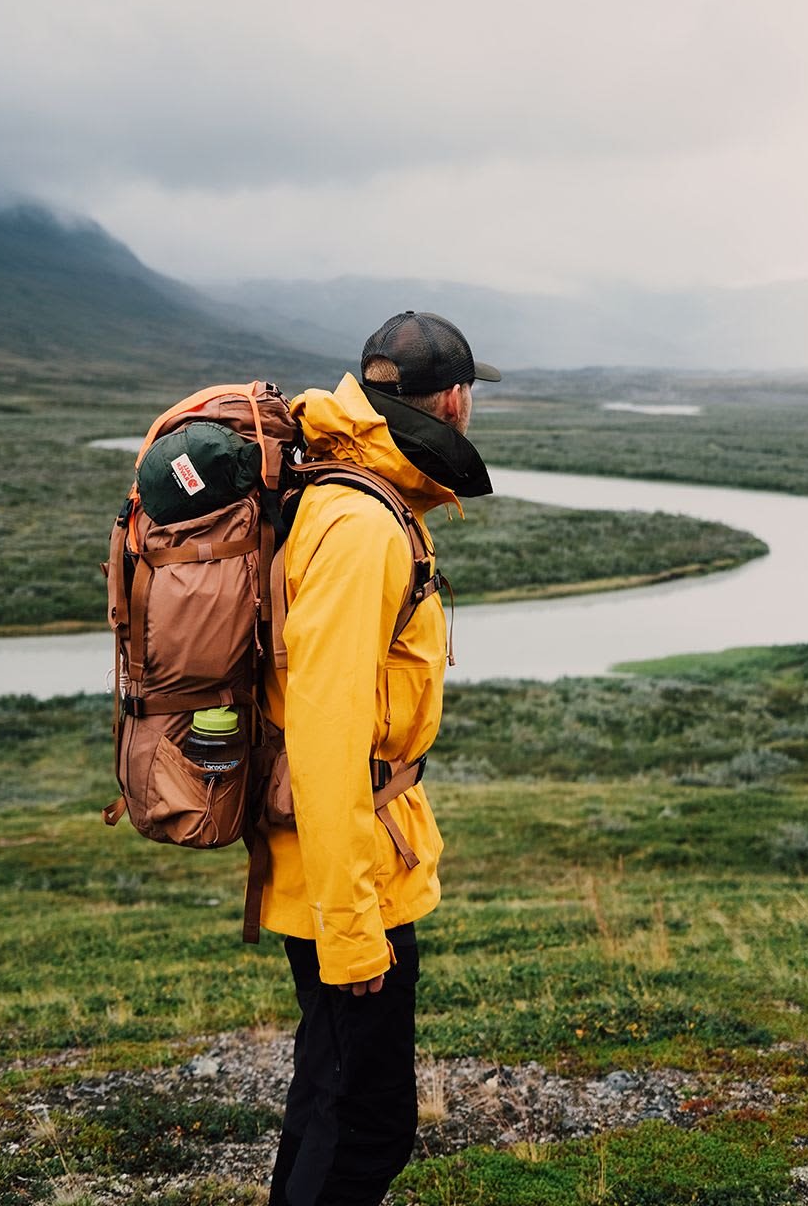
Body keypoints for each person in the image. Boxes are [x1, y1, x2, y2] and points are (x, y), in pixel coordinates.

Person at [260, 311, 501, 1206]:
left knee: (335, 1103)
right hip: (347, 872)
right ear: (457, 401)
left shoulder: (352, 490)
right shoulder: (362, 529)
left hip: (356, 858)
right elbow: (325, 737)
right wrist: (353, 934)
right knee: (362, 1124)